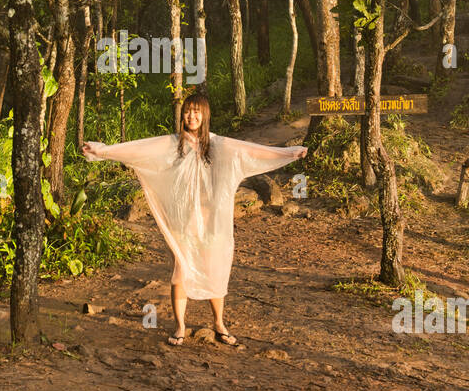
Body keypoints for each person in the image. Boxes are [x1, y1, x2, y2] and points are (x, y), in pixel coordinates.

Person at [82, 88, 308, 347]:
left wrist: (289, 153)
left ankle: (219, 323)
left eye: (196, 112)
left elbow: (251, 151)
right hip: (183, 222)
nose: (191, 116)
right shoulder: (172, 144)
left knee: (215, 270)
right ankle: (180, 326)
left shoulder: (218, 145)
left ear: (204, 116)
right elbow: (138, 150)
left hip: (212, 222)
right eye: (188, 111)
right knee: (181, 271)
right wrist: (102, 151)